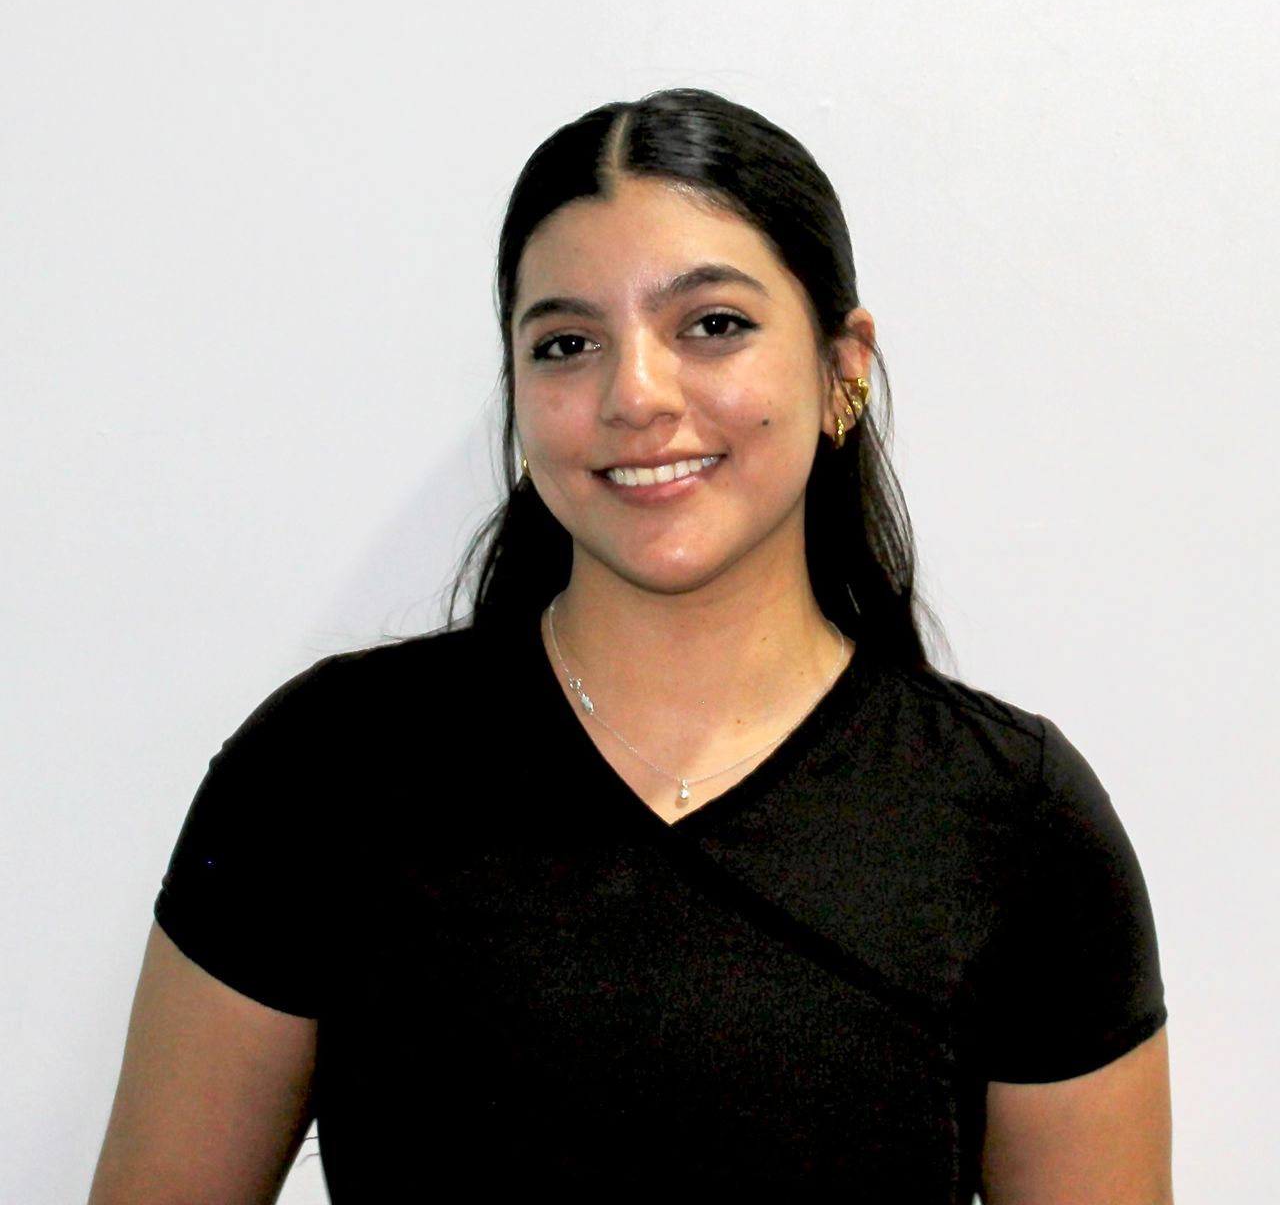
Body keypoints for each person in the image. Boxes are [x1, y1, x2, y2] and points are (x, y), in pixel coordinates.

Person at [89, 89, 1171, 1201]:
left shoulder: (1013, 821)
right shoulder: (325, 771)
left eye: (712, 324)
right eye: (567, 343)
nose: (635, 395)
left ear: (842, 367)